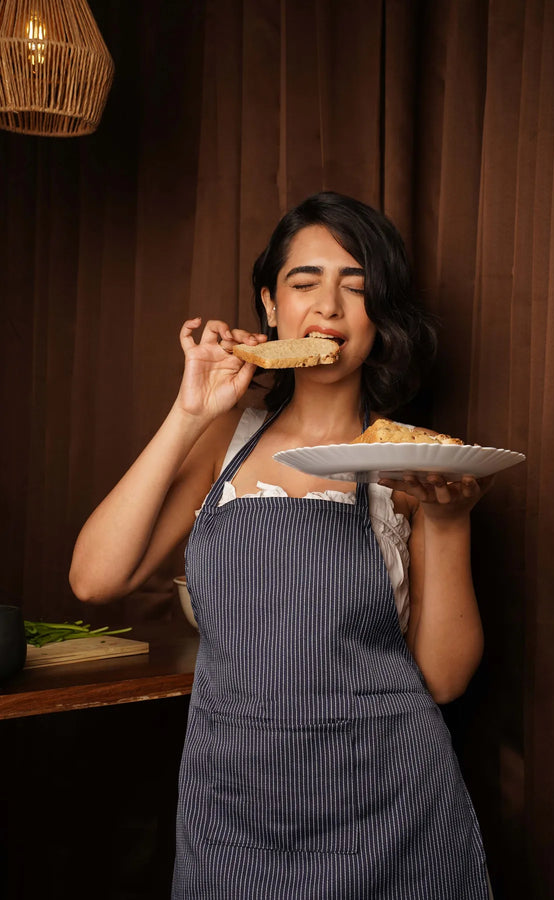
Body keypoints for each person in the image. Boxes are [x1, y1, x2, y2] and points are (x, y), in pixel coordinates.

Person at [70, 192, 492, 899]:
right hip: (235, 804)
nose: (328, 308)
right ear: (271, 304)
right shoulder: (221, 441)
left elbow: (444, 681)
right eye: (304, 283)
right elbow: (95, 579)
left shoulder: (413, 461)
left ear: (381, 315)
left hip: (389, 804)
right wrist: (190, 412)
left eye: (357, 287)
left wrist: (451, 522)